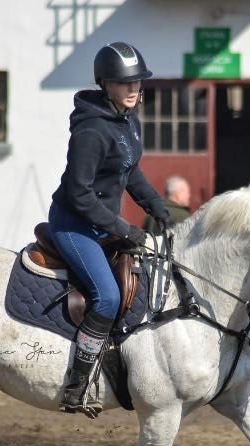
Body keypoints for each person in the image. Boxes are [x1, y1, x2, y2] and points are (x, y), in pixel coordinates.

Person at [48, 41, 172, 416]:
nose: (133, 88)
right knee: (107, 296)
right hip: (74, 225)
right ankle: (78, 385)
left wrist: (157, 206)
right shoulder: (91, 131)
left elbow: (129, 171)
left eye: (137, 81)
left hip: (100, 225)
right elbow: (79, 194)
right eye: (124, 83)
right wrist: (124, 228)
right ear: (105, 84)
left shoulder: (126, 120)